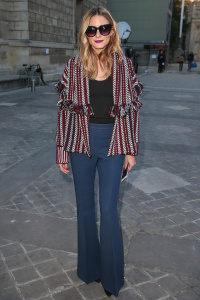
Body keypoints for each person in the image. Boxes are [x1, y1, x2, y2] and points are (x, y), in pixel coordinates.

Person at [55, 6, 143, 297]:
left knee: (108, 211)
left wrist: (131, 150)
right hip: (80, 142)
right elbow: (64, 111)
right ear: (85, 34)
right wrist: (61, 149)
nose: (98, 35)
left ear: (112, 31)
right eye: (91, 30)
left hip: (115, 142)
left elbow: (131, 110)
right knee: (85, 209)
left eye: (103, 28)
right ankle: (89, 269)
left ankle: (112, 279)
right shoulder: (73, 66)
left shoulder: (124, 66)